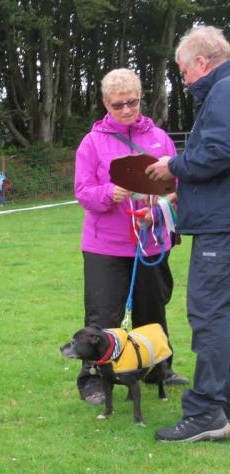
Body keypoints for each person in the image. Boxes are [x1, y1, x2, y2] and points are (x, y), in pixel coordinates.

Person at [73, 67, 187, 407]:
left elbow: (177, 186)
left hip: (150, 242)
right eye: (118, 104)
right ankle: (95, 378)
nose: (126, 110)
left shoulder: (160, 138)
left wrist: (159, 207)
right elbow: (83, 192)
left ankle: (157, 369)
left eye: (132, 102)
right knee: (103, 316)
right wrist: (109, 193)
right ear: (106, 104)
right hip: (105, 246)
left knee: (152, 310)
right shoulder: (92, 143)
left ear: (141, 99)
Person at [146, 26, 230, 442]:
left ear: (200, 61)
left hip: (220, 229)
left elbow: (218, 152)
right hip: (220, 219)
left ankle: (206, 412)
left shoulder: (224, 90)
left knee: (210, 315)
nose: (184, 81)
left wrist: (173, 166)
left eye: (183, 72)